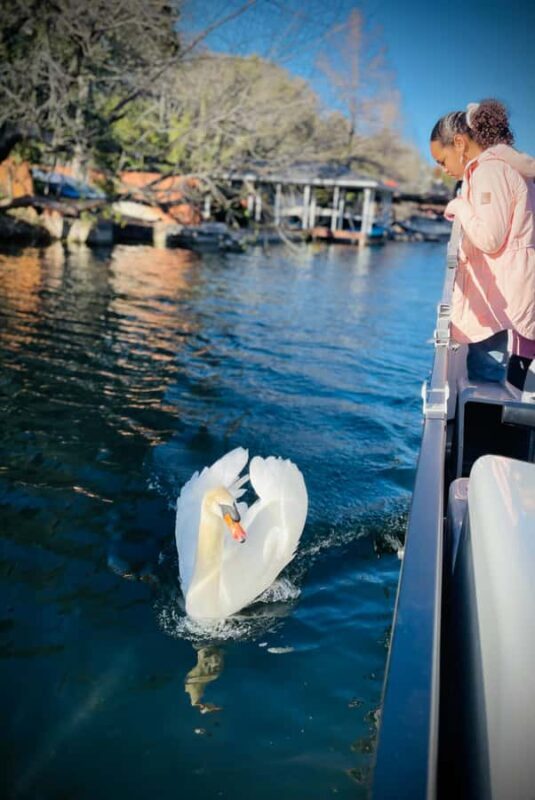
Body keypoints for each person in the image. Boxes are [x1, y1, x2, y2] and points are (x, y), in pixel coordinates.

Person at [429, 99, 535, 393]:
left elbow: (490, 238)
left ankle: (492, 433)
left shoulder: (490, 172)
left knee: (489, 382)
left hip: (502, 297)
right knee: (503, 379)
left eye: (442, 160)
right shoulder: (499, 169)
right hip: (508, 291)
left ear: (460, 143)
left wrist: (460, 206)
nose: (444, 170)